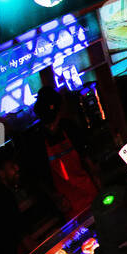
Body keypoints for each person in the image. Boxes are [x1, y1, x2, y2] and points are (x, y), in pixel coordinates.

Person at [33, 87, 98, 217]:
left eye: (54, 121)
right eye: (48, 123)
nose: (52, 126)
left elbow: (89, 161)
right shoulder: (37, 141)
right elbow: (38, 177)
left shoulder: (69, 127)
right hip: (69, 206)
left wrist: (100, 187)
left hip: (90, 194)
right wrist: (55, 197)